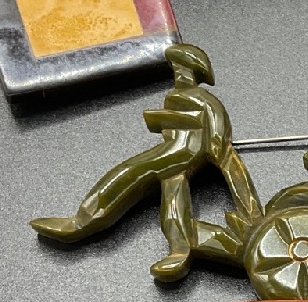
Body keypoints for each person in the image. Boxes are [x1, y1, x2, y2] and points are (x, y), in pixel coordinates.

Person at [30, 44, 261, 281]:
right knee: (170, 198)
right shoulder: (175, 97)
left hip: (184, 153)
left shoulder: (206, 100)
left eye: (183, 68)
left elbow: (219, 142)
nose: (179, 74)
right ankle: (87, 223)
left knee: (131, 172)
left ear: (195, 72)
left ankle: (87, 224)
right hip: (173, 153)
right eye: (176, 68)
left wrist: (249, 208)